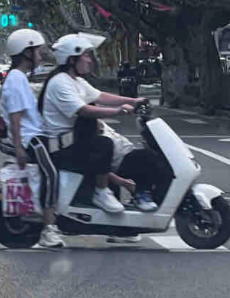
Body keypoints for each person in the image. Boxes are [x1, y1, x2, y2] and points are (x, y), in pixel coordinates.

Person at [37, 34, 149, 215]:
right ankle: (100, 191)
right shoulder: (60, 82)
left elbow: (101, 96)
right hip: (61, 150)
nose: (89, 60)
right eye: (86, 55)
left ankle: (118, 210)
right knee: (103, 145)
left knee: (119, 154)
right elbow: (83, 110)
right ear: (72, 59)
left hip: (74, 142)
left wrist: (133, 101)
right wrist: (118, 111)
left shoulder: (76, 81)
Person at [0, 28, 64, 250]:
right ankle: (48, 229)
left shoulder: (20, 77)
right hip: (31, 139)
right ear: (26, 52)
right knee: (51, 174)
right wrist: (19, 147)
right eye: (36, 51)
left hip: (36, 135)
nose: (39, 55)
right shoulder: (16, 79)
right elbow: (15, 115)